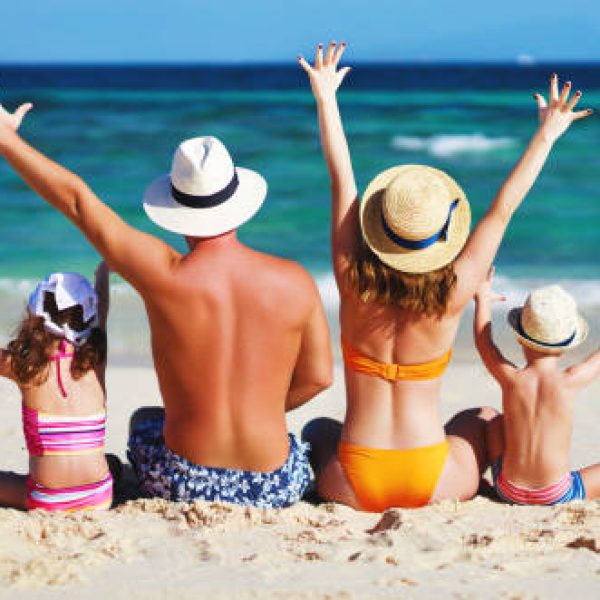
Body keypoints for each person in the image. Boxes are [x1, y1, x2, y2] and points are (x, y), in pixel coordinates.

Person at [298, 41, 593, 511]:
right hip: (433, 479)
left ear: (379, 230)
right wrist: (547, 134)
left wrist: (326, 97)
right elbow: (502, 210)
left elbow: (343, 181)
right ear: (441, 237)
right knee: (481, 418)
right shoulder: (454, 292)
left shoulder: (351, 280)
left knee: (317, 430)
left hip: (352, 482)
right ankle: (521, 485)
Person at [0, 102, 332, 508]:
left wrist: (5, 138)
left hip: (184, 485)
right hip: (272, 486)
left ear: (175, 208)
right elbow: (319, 378)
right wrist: (257, 409)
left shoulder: (163, 275)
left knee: (144, 419)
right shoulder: (295, 280)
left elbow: (78, 202)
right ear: (238, 200)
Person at [474, 270, 600, 503]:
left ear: (520, 338)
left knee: (494, 422)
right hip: (557, 493)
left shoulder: (510, 377)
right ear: (567, 345)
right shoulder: (570, 380)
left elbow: (484, 343)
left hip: (507, 489)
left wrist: (482, 299)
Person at [0, 264, 112, 511]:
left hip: (48, 501)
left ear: (35, 314)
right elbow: (102, 308)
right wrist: (103, 271)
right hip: (100, 496)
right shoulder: (95, 361)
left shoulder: (24, 367)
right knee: (108, 462)